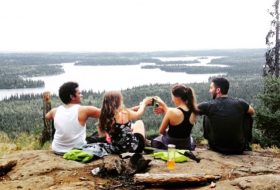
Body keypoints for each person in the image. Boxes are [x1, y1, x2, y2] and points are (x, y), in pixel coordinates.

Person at [198, 77, 255, 154]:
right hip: (239, 148)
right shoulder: (240, 103)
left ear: (218, 90)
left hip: (216, 147)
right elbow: (252, 112)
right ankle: (246, 144)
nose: (209, 91)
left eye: (211, 88)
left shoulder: (208, 105)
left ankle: (211, 143)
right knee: (247, 115)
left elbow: (191, 110)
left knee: (207, 114)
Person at [45, 81, 100, 154]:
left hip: (57, 149)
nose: (81, 95)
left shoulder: (55, 111)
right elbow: (105, 113)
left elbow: (47, 116)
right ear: (72, 96)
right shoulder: (84, 110)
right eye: (79, 93)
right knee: (98, 135)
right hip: (76, 150)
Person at [152, 84, 198, 150]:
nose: (172, 100)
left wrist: (168, 131)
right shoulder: (194, 111)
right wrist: (165, 108)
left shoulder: (171, 112)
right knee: (190, 138)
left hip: (171, 144)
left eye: (172, 97)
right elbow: (183, 123)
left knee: (157, 140)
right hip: (186, 145)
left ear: (177, 97)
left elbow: (161, 131)